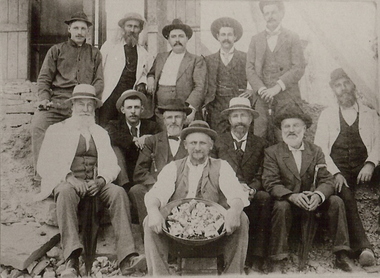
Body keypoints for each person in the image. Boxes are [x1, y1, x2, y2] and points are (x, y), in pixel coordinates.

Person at [36, 84, 145, 277]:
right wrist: (69, 177)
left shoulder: (100, 133)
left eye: (90, 105)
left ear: (94, 109)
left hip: (95, 183)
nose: (86, 109)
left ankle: (127, 257)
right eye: (81, 104)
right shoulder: (57, 130)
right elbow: (44, 163)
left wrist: (102, 180)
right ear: (73, 106)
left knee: (118, 192)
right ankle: (71, 259)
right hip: (68, 181)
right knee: (65, 192)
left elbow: (113, 164)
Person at [143, 120, 249, 275]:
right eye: (193, 143)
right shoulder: (173, 167)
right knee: (149, 220)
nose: (197, 148)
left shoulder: (222, 166)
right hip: (178, 239)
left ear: (211, 145)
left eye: (202, 143)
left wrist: (235, 210)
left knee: (242, 217)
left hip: (214, 238)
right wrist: (153, 210)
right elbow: (157, 193)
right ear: (185, 145)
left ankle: (233, 273)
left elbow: (236, 194)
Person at [262, 110, 355, 273]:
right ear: (281, 130)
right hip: (288, 204)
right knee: (280, 206)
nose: (291, 130)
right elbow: (270, 182)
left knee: (336, 201)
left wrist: (318, 196)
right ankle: (278, 258)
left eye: (296, 126)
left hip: (313, 204)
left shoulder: (316, 151)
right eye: (286, 126)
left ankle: (342, 254)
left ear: (304, 129)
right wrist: (291, 196)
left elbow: (327, 179)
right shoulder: (272, 152)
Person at [314, 68, 380, 266]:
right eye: (338, 85)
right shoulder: (327, 115)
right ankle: (364, 248)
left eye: (346, 83)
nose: (343, 89)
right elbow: (320, 147)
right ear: (333, 90)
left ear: (353, 85)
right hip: (340, 167)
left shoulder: (370, 114)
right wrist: (335, 173)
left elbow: (378, 142)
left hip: (365, 165)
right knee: (345, 195)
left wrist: (370, 163)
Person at [31, 11, 104, 179]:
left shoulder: (95, 54)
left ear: (88, 32)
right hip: (58, 102)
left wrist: (88, 99)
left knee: (93, 133)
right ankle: (43, 175)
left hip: (82, 104)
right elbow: (44, 78)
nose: (79, 32)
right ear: (69, 29)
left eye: (83, 28)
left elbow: (99, 82)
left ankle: (86, 174)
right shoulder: (56, 51)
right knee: (39, 125)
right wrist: (44, 99)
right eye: (76, 28)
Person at [212, 97, 271, 273]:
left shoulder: (261, 144)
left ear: (251, 120)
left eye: (244, 116)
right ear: (229, 119)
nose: (239, 120)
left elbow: (263, 173)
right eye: (235, 116)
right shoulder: (218, 142)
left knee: (265, 198)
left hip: (252, 191)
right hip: (226, 192)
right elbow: (214, 171)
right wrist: (236, 189)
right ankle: (221, 257)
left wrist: (252, 188)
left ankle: (257, 257)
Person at [246, 1, 306, 144]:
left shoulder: (292, 37)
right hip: (262, 98)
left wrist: (277, 87)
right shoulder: (256, 40)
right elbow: (250, 69)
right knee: (260, 137)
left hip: (287, 97)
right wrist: (261, 89)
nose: (270, 16)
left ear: (281, 13)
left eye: (273, 12)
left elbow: (298, 67)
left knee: (285, 136)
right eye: (266, 13)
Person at [129, 99, 190, 227]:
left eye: (177, 117)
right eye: (169, 117)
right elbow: (139, 172)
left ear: (184, 120)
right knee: (137, 190)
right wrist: (155, 185)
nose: (173, 121)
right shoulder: (152, 141)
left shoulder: (192, 141)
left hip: (184, 189)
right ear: (164, 120)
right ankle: (148, 234)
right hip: (156, 187)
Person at [146, 19, 207, 125]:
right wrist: (150, 78)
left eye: (181, 36)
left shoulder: (196, 60)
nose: (177, 40)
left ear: (187, 39)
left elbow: (200, 87)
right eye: (173, 37)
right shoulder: (160, 57)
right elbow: (152, 72)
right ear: (168, 39)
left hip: (184, 110)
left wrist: (191, 109)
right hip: (161, 111)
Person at [99, 13, 152, 126]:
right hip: (109, 96)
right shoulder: (110, 46)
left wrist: (143, 82)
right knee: (104, 127)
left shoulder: (144, 54)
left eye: (136, 27)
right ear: (123, 28)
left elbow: (144, 74)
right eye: (129, 26)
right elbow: (99, 69)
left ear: (140, 30)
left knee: (123, 130)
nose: (132, 30)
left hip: (128, 100)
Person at [204, 17, 252, 134]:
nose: (226, 38)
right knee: (218, 137)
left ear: (235, 37)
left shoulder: (245, 58)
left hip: (238, 103)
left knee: (239, 134)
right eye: (223, 34)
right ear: (218, 37)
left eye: (229, 35)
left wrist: (251, 89)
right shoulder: (208, 60)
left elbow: (254, 74)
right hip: (216, 105)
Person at [105, 89, 160, 191]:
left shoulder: (151, 126)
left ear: (142, 109)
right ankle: (125, 187)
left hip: (144, 172)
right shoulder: (114, 125)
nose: (133, 111)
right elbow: (109, 133)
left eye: (137, 107)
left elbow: (161, 137)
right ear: (123, 110)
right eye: (129, 107)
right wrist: (133, 139)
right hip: (124, 172)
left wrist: (148, 138)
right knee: (114, 147)